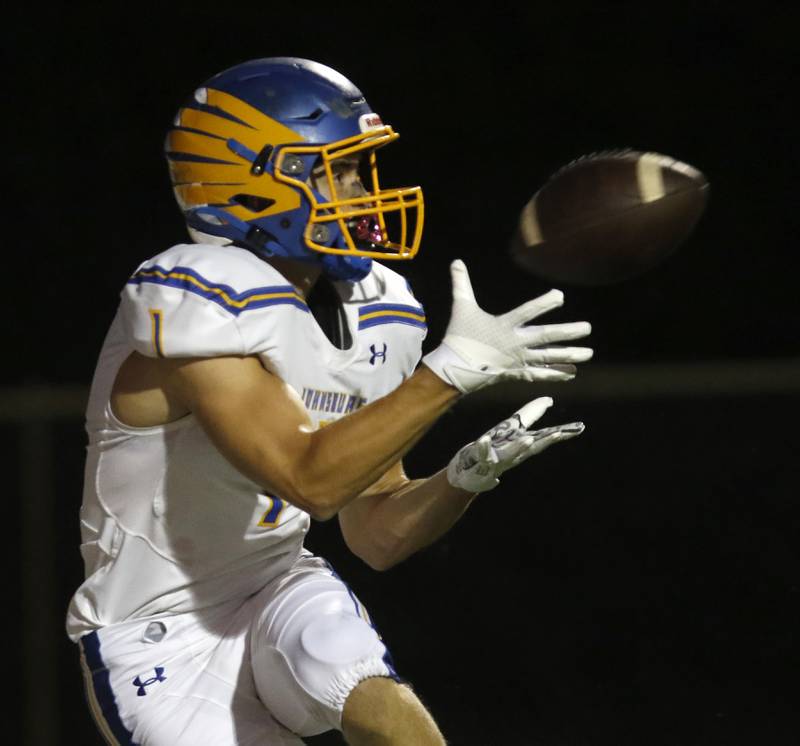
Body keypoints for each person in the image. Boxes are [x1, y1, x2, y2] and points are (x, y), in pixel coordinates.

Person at [66, 57, 593, 745]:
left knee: (395, 721)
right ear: (253, 182)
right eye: (337, 171)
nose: (360, 190)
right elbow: (309, 478)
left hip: (276, 584)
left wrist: (459, 480)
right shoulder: (200, 292)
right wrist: (447, 376)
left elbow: (374, 531)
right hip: (156, 631)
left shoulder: (382, 309)